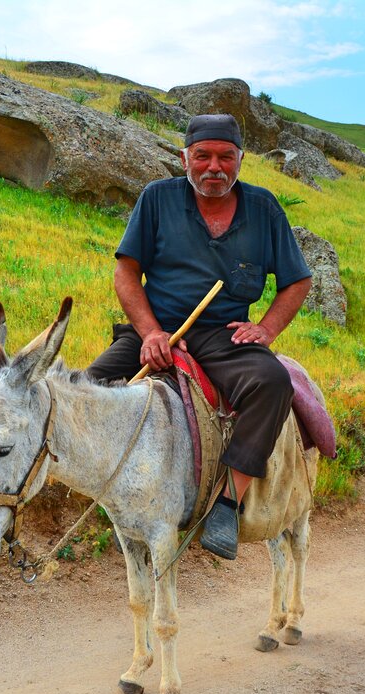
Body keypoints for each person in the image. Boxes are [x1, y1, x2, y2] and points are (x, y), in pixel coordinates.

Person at [86, 113, 312, 560]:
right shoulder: (157, 199)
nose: (215, 167)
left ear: (241, 161)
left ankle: (226, 501)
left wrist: (265, 328)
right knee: (88, 387)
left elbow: (297, 281)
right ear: (185, 158)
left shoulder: (264, 209)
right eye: (203, 156)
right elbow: (126, 274)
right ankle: (108, 491)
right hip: (157, 330)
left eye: (226, 157)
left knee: (273, 385)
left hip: (223, 336)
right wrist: (150, 333)